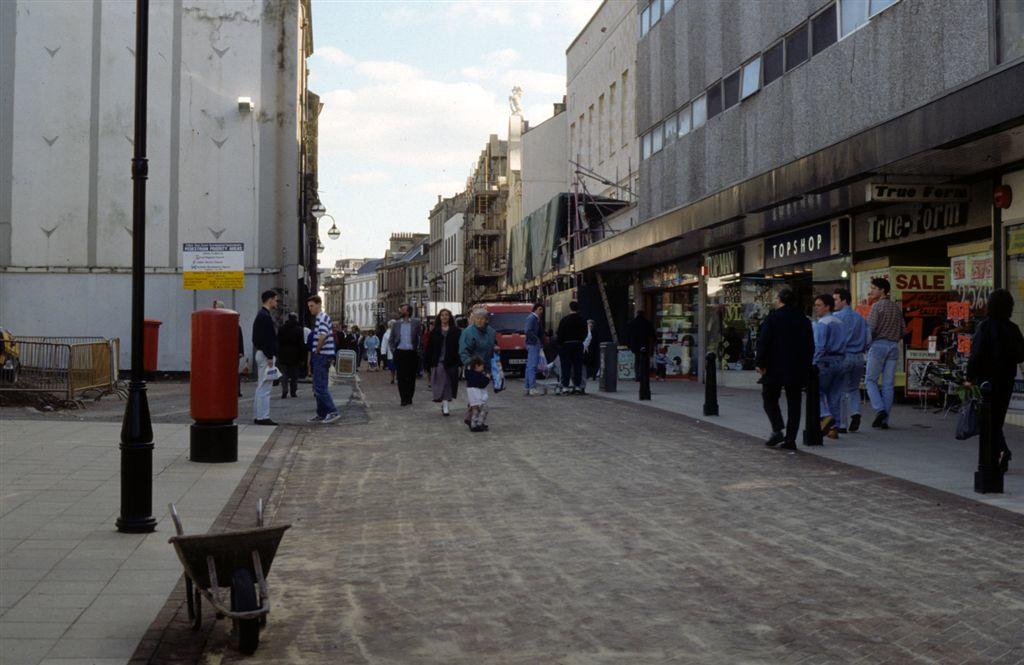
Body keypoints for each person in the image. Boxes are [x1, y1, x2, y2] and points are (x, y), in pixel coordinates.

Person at [966, 289, 1024, 472]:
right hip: (1006, 379)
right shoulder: (1013, 328)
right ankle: (999, 452)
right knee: (997, 417)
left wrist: (969, 377)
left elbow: (975, 354)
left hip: (986, 380)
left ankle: (998, 452)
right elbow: (1021, 354)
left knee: (987, 419)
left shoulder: (984, 327)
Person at [756, 288, 814, 450]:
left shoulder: (773, 318)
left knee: (769, 398)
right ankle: (790, 439)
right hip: (796, 367)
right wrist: (806, 367)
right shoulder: (804, 320)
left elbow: (764, 341)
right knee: (794, 403)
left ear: (780, 300)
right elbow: (810, 346)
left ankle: (777, 428)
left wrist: (760, 362)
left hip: (774, 367)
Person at [865, 277, 905, 429]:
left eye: (874, 288)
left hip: (878, 345)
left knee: (870, 380)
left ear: (882, 290)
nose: (871, 291)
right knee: (888, 384)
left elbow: (871, 328)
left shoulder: (877, 307)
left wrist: (867, 345)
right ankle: (885, 420)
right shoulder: (896, 307)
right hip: (894, 346)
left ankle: (879, 409)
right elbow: (903, 329)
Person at [833, 288, 868, 433]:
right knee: (853, 388)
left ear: (844, 300)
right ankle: (855, 412)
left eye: (835, 299)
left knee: (840, 390)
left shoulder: (836, 317)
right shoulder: (859, 317)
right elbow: (868, 338)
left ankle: (841, 424)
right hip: (858, 357)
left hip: (843, 356)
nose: (833, 302)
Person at [812, 293, 846, 439]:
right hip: (840, 360)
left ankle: (826, 417)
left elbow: (820, 346)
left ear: (827, 307)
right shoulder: (840, 322)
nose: (816, 308)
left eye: (819, 305)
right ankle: (834, 427)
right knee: (835, 395)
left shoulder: (822, 324)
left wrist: (813, 362)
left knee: (816, 391)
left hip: (826, 361)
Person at [459, 307, 499, 425]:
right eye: (477, 318)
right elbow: (463, 351)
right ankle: (473, 420)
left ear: (486, 319)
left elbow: (493, 345)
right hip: (473, 368)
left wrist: (495, 349)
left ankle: (471, 417)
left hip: (485, 366)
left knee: (481, 395)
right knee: (475, 395)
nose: (480, 321)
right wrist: (471, 365)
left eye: (482, 318)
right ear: (473, 319)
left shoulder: (491, 331)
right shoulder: (468, 332)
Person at [306, 296, 341, 424]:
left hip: (322, 355)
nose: (310, 309)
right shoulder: (320, 318)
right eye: (309, 306)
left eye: (312, 306)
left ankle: (332, 411)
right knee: (320, 386)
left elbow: (323, 335)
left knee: (319, 386)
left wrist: (317, 350)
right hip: (323, 355)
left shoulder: (322, 317)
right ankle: (322, 413)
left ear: (319, 304)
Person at [426, 308, 461, 416]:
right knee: (443, 382)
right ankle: (445, 403)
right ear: (439, 317)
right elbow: (430, 347)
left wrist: (459, 361)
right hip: (439, 360)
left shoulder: (455, 331)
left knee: (448, 383)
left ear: (450, 317)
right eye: (442, 315)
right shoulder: (435, 331)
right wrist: (428, 362)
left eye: (446, 315)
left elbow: (459, 347)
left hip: (451, 360)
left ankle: (445, 403)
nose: (444, 317)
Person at [251, 290, 279, 426]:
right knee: (265, 387)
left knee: (261, 386)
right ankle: (263, 416)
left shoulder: (261, 315)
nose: (276, 302)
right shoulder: (265, 316)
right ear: (270, 300)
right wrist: (269, 356)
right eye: (275, 300)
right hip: (265, 355)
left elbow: (256, 338)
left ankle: (258, 415)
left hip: (261, 353)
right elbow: (267, 338)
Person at [389, 304, 423, 406]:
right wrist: (393, 350)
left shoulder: (416, 323)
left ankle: (409, 397)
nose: (401, 311)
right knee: (401, 376)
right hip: (400, 352)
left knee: (411, 376)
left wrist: (418, 350)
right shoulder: (396, 324)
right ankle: (403, 398)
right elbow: (391, 339)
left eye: (403, 309)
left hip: (412, 353)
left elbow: (420, 337)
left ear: (408, 312)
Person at [212, 300, 245, 397]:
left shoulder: (226, 322)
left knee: (232, 372)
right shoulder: (233, 323)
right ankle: (234, 390)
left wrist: (240, 351)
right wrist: (241, 351)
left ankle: (232, 390)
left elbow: (239, 337)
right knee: (233, 372)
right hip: (231, 352)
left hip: (229, 352)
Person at [556, 301, 588, 394]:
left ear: (570, 308)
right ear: (578, 309)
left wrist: (560, 344)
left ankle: (565, 386)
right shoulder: (582, 320)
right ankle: (577, 386)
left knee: (566, 366)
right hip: (578, 345)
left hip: (566, 345)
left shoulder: (564, 320)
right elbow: (585, 333)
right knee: (577, 366)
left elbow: (559, 334)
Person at [276, 312, 305, 398]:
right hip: (295, 355)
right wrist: (302, 358)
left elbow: (278, 341)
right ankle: (293, 391)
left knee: (284, 374)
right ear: (295, 319)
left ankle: (284, 389)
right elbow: (301, 344)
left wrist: (278, 353)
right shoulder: (299, 329)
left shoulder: (281, 328)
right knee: (294, 375)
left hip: (283, 354)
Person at [626, 310, 655, 382]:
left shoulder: (632, 323)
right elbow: (652, 334)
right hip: (644, 344)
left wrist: (629, 344)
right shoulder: (647, 323)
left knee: (637, 360)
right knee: (644, 360)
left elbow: (628, 334)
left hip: (635, 345)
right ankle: (643, 375)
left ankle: (637, 375)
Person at [464, 356, 491, 432]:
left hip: (471, 394)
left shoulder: (469, 373)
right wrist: (487, 378)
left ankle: (474, 424)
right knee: (483, 409)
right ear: (476, 366)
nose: (483, 369)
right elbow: (482, 384)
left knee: (475, 409)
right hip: (477, 394)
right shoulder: (477, 375)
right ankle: (478, 424)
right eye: (482, 367)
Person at [523, 302, 545, 396]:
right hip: (533, 344)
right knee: (532, 366)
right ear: (535, 309)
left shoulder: (535, 319)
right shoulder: (532, 318)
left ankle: (528, 387)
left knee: (529, 366)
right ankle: (532, 387)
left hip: (532, 343)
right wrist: (536, 340)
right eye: (540, 309)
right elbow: (527, 331)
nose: (541, 311)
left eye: (542, 310)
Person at [381, 319, 396, 384]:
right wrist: (383, 352)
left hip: (398, 351)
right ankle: (392, 377)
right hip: (390, 352)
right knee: (392, 367)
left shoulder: (398, 332)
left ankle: (396, 377)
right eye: (391, 325)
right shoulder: (386, 334)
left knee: (397, 365)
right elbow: (384, 343)